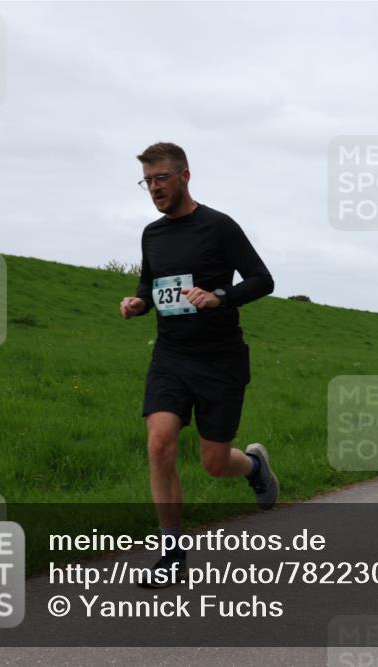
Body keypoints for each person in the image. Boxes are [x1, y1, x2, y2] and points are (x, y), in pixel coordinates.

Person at [120, 142, 277, 586]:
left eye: (161, 178)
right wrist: (139, 303)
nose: (154, 188)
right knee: (159, 444)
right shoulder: (152, 234)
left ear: (184, 176)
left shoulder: (218, 226)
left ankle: (254, 467)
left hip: (220, 359)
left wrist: (219, 296)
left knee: (214, 463)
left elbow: (262, 279)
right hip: (170, 356)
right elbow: (151, 284)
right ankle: (172, 553)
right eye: (147, 181)